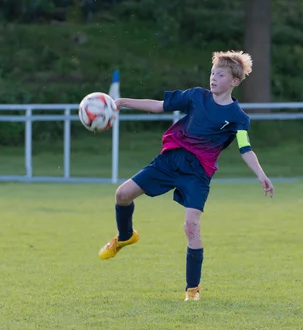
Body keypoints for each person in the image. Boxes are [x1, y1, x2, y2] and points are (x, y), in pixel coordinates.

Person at [98, 50, 275, 301]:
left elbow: (244, 147)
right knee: (122, 194)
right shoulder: (195, 96)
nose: (213, 78)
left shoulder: (238, 118)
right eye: (213, 72)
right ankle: (126, 236)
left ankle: (193, 289)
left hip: (198, 173)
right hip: (170, 161)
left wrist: (261, 174)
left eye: (220, 74)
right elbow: (159, 106)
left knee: (191, 227)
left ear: (234, 82)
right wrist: (123, 102)